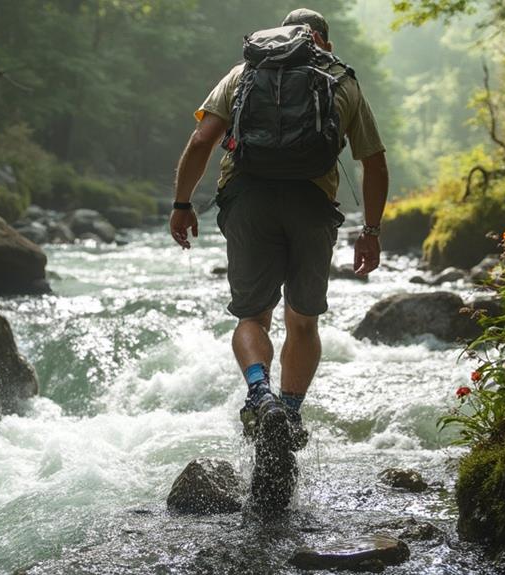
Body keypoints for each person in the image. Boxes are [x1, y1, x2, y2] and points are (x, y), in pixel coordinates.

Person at [169, 8, 389, 506]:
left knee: (252, 315)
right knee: (304, 321)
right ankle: (289, 412)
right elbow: (372, 162)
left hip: (247, 200)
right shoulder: (341, 82)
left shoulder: (245, 71)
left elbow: (202, 138)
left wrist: (183, 204)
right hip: (312, 205)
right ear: (323, 42)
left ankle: (259, 393)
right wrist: (370, 230)